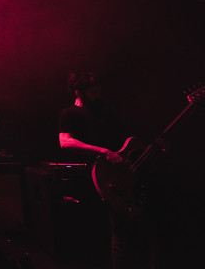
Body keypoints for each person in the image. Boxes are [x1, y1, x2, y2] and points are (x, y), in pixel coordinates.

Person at [58, 73, 164, 269]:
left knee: (147, 230)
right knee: (121, 234)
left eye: (99, 91)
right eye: (93, 92)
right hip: (103, 177)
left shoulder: (106, 112)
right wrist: (104, 152)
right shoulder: (69, 113)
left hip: (127, 175)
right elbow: (65, 142)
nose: (99, 96)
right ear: (78, 92)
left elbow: (127, 143)